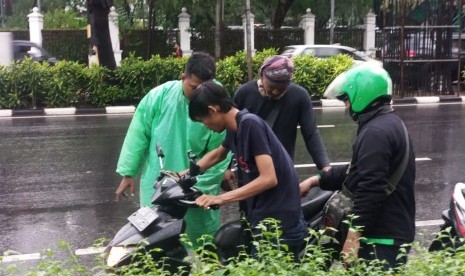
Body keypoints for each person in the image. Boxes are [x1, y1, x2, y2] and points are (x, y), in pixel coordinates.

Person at [300, 64, 416, 269]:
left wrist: (353, 238)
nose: (346, 106)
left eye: (346, 99)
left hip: (381, 239)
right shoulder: (387, 123)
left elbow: (370, 188)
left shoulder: (376, 132)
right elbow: (357, 170)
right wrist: (316, 180)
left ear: (361, 95)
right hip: (388, 233)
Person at [115, 52, 230, 248]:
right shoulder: (159, 96)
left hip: (196, 187)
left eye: (204, 89)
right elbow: (138, 133)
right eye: (193, 88)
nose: (198, 95)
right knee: (154, 239)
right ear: (182, 77)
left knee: (204, 243)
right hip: (159, 182)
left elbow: (221, 151)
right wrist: (128, 172)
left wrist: (202, 186)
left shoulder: (217, 102)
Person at [188, 81, 307, 259]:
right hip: (264, 219)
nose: (205, 125)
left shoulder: (250, 125)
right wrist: (185, 174)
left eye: (203, 119)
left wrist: (220, 198)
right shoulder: (234, 127)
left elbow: (269, 178)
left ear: (213, 110)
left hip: (280, 225)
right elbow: (218, 154)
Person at [232, 55, 330, 169]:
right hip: (248, 166)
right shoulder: (244, 93)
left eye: (282, 87)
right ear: (262, 76)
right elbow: (231, 130)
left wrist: (325, 167)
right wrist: (228, 167)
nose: (276, 91)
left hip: (283, 166)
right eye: (272, 86)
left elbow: (311, 134)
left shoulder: (300, 96)